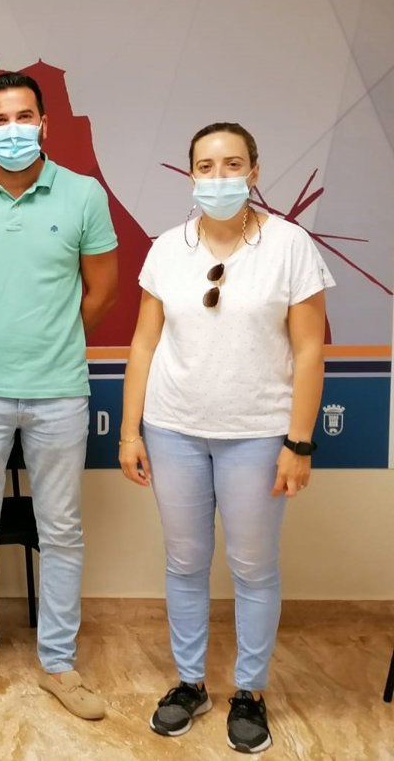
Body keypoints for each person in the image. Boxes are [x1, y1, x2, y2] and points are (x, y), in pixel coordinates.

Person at [119, 122, 332, 753]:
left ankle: (250, 692)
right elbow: (144, 343)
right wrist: (130, 431)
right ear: (191, 175)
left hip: (258, 434)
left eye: (232, 164)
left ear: (254, 172)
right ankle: (190, 683)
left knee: (253, 568)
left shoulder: (289, 245)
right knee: (185, 562)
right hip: (173, 429)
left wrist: (299, 442)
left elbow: (310, 348)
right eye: (206, 167)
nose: (219, 177)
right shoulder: (167, 249)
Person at [0, 72, 118, 718]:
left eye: (24, 116)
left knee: (60, 530)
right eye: (0, 119)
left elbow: (102, 290)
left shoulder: (84, 194)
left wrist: (53, 342)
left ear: (44, 123)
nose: (13, 129)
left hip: (59, 391)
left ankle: (59, 666)